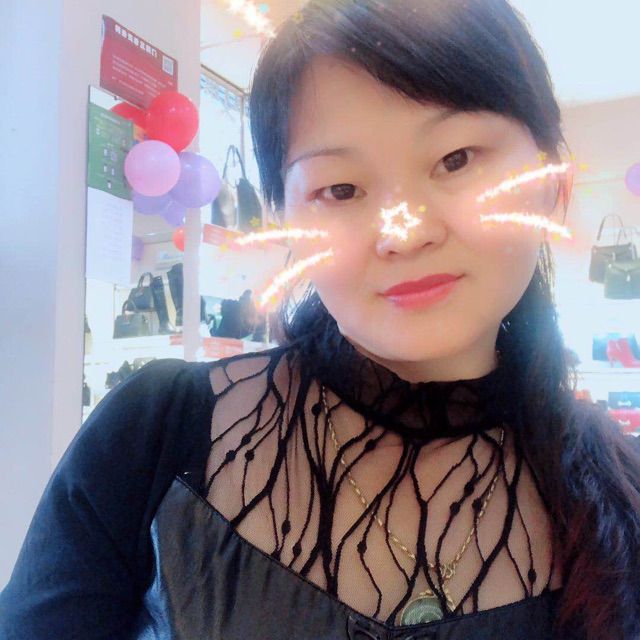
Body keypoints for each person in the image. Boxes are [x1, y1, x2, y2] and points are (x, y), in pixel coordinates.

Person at [2, 1, 640, 639]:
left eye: (456, 159)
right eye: (340, 189)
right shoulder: (157, 434)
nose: (404, 232)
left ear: (553, 182)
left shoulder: (623, 491)